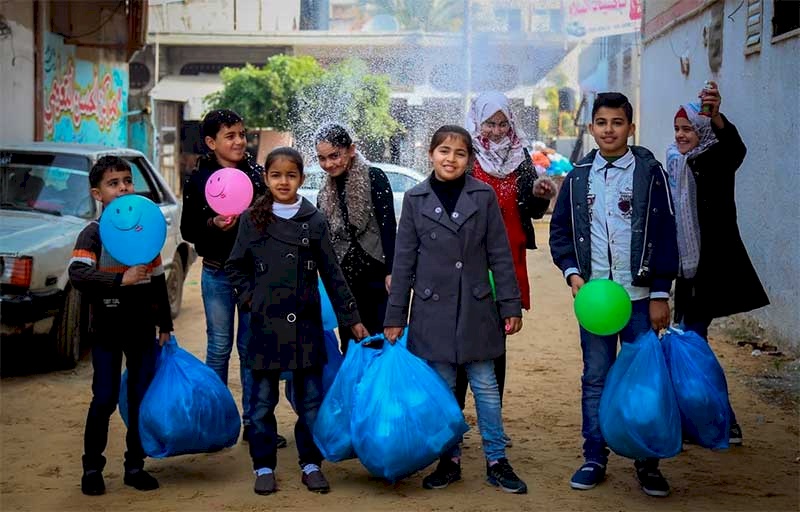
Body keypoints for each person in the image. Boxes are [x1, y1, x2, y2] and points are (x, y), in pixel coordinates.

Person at [384, 125, 528, 494]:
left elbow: (499, 254)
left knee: (485, 387)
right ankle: (449, 459)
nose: (451, 158)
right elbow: (402, 264)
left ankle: (497, 459)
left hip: (478, 309)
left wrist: (510, 304)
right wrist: (395, 317)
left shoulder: (483, 197)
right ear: (430, 154)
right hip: (433, 312)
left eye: (460, 153)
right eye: (444, 151)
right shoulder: (415, 199)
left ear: (470, 159)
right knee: (443, 391)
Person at [549, 92, 679, 497]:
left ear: (630, 127)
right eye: (601, 123)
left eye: (617, 122)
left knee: (644, 380)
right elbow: (560, 234)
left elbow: (665, 234)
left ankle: (647, 461)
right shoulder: (577, 176)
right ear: (591, 128)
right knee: (596, 378)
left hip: (640, 296)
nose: (609, 130)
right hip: (596, 302)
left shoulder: (650, 172)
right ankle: (594, 455)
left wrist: (660, 292)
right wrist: (573, 275)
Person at [226, 147, 369, 496]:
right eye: (276, 175)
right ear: (266, 179)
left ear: (302, 179)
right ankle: (263, 466)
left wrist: (353, 319)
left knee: (310, 404)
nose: (284, 181)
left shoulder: (313, 219)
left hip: (305, 327)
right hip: (264, 326)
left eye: (291, 175)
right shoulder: (252, 219)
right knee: (261, 405)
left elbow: (333, 274)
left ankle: (310, 464)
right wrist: (250, 299)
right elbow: (235, 266)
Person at [667, 82, 769, 445]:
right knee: (689, 340)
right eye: (677, 128)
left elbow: (735, 148)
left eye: (689, 128)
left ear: (703, 131)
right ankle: (700, 417)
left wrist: (717, 117)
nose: (681, 135)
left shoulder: (717, 159)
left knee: (692, 339)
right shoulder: (673, 163)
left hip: (710, 268)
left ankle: (725, 419)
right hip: (684, 271)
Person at [68, 156, 173, 496]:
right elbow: (79, 274)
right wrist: (120, 281)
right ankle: (92, 468)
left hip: (142, 329)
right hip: (107, 332)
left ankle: (135, 466)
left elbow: (158, 283)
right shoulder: (93, 234)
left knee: (139, 398)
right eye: (114, 183)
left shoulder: (146, 230)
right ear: (97, 194)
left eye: (127, 181)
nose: (123, 187)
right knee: (104, 398)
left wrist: (165, 326)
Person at [457, 91, 557, 444]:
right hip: (468, 257)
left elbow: (531, 209)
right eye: (489, 123)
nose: (497, 131)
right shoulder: (466, 156)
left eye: (503, 123)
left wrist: (541, 195)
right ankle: (453, 421)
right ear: (477, 123)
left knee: (496, 339)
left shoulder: (522, 157)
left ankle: (491, 421)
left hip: (508, 257)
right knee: (459, 332)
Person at [180, 109, 285, 446]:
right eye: (231, 135)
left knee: (251, 349)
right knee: (219, 348)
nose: (239, 141)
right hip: (216, 273)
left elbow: (274, 222)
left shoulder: (256, 176)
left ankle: (255, 424)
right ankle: (215, 422)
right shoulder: (197, 181)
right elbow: (188, 230)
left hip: (254, 279)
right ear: (211, 142)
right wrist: (212, 224)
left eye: (242, 134)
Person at [315, 124, 396, 349]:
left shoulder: (374, 177)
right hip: (346, 282)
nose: (329, 164)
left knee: (382, 342)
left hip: (378, 277)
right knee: (351, 343)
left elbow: (388, 226)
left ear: (351, 149)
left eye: (335, 155)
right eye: (322, 158)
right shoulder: (323, 192)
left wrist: (392, 271)